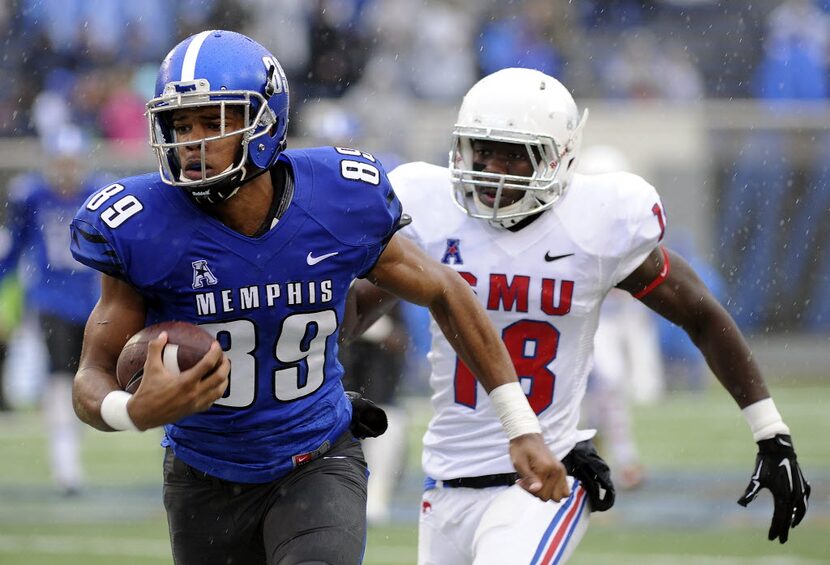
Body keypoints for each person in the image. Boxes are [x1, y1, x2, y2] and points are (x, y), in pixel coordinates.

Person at [68, 31, 568, 565]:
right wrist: (133, 409)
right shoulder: (139, 224)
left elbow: (446, 291)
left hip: (317, 460)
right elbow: (90, 378)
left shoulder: (337, 197)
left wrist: (520, 426)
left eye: (213, 121)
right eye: (180, 124)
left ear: (264, 123)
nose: (191, 141)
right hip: (203, 475)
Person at [347, 68, 811, 564]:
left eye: (514, 154)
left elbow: (700, 314)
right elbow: (350, 315)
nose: (492, 169)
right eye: (483, 148)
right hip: (443, 484)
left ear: (558, 156)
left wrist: (770, 431)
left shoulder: (597, 223)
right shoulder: (429, 210)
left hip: (543, 484)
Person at [0, 125, 102, 494]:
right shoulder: (31, 196)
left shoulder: (97, 193)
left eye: (71, 163)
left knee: (86, 377)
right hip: (49, 299)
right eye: (60, 163)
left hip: (92, 301)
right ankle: (66, 464)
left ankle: (70, 451)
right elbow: (13, 250)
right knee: (60, 376)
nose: (65, 171)